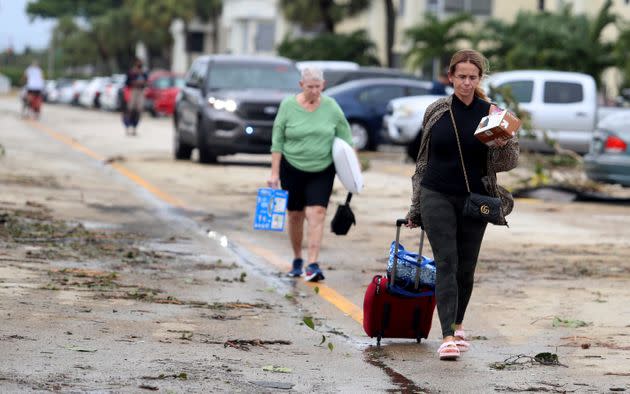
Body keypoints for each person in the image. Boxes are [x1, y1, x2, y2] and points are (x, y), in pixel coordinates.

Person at [405, 49, 519, 360]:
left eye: (472, 77)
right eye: (461, 77)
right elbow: (422, 161)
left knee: (466, 267)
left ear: (480, 79)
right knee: (446, 262)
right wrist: (415, 207)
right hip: (436, 194)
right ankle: (447, 336)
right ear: (451, 76)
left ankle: (457, 323)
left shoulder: (493, 114)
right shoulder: (437, 111)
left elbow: (509, 163)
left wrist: (502, 144)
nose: (466, 83)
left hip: (475, 198)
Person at [268, 67, 354, 282]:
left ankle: (312, 263)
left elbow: (346, 141)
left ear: (323, 85)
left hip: (322, 169)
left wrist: (353, 173)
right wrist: (274, 173)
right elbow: (277, 141)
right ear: (301, 85)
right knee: (295, 215)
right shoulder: (288, 106)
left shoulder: (332, 107)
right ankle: (297, 258)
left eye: (318, 87)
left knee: (316, 213)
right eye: (310, 87)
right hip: (292, 167)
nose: (315, 91)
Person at [123, 58, 148, 136]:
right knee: (130, 110)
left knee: (138, 111)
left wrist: (142, 83)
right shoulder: (131, 72)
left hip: (140, 92)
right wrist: (134, 83)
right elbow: (126, 83)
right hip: (132, 92)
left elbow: (146, 82)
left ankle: (134, 129)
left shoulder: (144, 73)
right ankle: (127, 127)